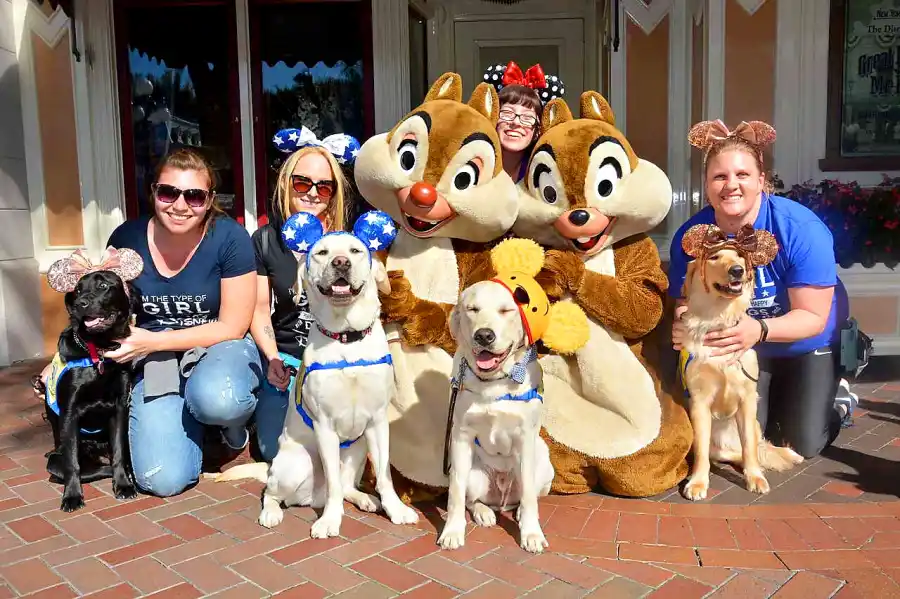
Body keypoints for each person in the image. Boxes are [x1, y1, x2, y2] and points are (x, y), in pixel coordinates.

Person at [668, 119, 856, 459]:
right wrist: (684, 322)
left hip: (804, 340)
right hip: (742, 342)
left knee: (802, 443)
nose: (731, 185)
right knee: (747, 440)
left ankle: (837, 397)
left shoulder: (800, 229)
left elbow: (813, 317)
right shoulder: (692, 236)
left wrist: (759, 329)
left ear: (761, 181)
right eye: (719, 176)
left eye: (742, 174)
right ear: (707, 185)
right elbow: (685, 299)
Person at [103, 148, 261, 497]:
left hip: (218, 346)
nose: (179, 205)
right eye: (168, 192)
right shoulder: (126, 239)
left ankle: (231, 430)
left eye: (194, 196)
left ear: (209, 200)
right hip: (158, 359)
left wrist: (153, 341)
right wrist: (63, 359)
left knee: (219, 398)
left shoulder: (229, 237)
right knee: (162, 480)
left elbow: (233, 326)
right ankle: (190, 428)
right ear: (153, 193)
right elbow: (105, 304)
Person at [250, 127, 359, 461]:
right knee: (274, 450)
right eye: (302, 183)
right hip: (288, 359)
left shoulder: (349, 243)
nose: (313, 193)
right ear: (286, 182)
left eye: (324, 186)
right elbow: (258, 309)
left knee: (341, 445)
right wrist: (273, 358)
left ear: (334, 193)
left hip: (338, 359)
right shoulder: (266, 239)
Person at [483, 61, 565, 183]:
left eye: (527, 117)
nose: (516, 122)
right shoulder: (476, 163)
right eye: (507, 113)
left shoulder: (545, 173)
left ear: (537, 130)